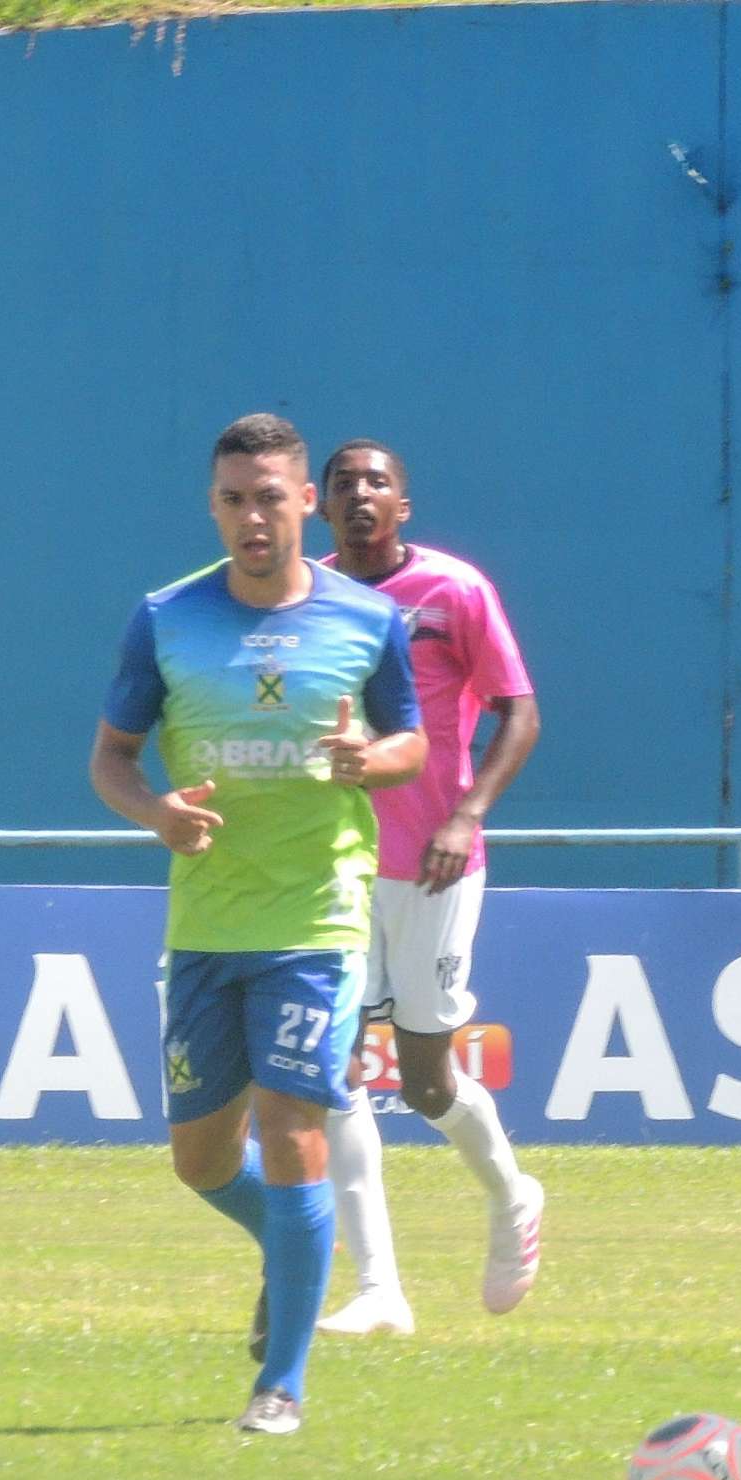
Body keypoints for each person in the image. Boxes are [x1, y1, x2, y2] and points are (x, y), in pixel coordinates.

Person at [89, 413, 425, 1436]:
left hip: (317, 914)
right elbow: (111, 758)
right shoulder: (166, 618)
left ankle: (279, 1386)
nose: (252, 517)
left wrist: (370, 762)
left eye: (271, 497)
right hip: (206, 923)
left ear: (305, 505)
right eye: (234, 499)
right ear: (213, 506)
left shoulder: (368, 621)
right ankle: (291, 1254)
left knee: (292, 1129)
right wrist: (156, 813)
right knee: (198, 1159)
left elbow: (412, 740)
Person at [310, 441, 544, 1336]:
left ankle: (512, 1194)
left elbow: (520, 709)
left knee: (424, 1082)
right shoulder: (311, 597)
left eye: (377, 483)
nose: (360, 494)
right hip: (338, 867)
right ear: (322, 506)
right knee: (329, 1072)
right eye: (345, 484)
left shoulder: (455, 591)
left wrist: (467, 813)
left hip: (437, 867)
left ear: (403, 504)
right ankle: (380, 1291)